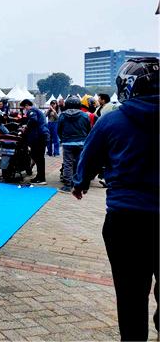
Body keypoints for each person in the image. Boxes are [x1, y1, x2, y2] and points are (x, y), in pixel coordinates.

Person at [72, 58, 159, 340]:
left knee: (131, 294)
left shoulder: (111, 120)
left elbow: (89, 157)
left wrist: (80, 183)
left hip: (127, 220)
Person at [57, 96, 91, 192]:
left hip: (67, 143)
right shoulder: (84, 115)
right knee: (79, 163)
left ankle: (67, 186)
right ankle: (77, 184)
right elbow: (89, 129)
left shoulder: (62, 115)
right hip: (81, 143)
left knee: (68, 164)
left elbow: (59, 129)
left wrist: (63, 139)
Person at [19, 98, 50, 185]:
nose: (24, 110)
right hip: (42, 135)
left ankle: (41, 178)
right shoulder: (37, 110)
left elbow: (33, 120)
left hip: (39, 137)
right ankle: (39, 177)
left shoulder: (32, 110)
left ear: (26, 106)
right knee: (38, 157)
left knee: (38, 157)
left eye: (23, 108)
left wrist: (26, 127)